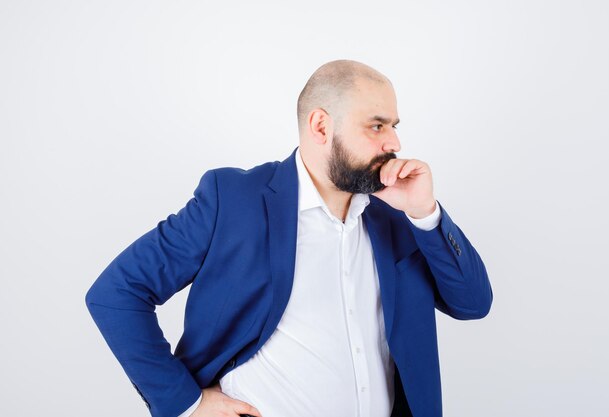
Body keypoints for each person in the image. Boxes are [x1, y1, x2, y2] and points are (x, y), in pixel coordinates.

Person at [85, 59, 493, 417]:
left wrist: (425, 213)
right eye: (377, 125)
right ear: (321, 126)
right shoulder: (232, 200)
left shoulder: (396, 212)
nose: (395, 142)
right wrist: (184, 404)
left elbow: (473, 304)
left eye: (394, 126)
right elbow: (117, 293)